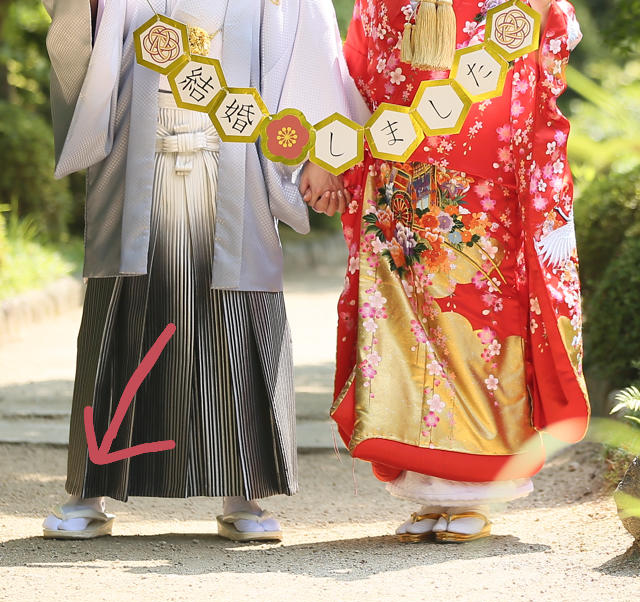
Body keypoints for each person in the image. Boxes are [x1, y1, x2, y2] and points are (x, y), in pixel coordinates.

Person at [41, 0, 367, 541]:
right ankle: (88, 489)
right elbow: (81, 26)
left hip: (238, 154)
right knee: (122, 312)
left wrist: (320, 153)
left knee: (237, 319)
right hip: (134, 147)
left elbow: (311, 49)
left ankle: (244, 491)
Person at [331, 0, 590, 542]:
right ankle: (426, 486)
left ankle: (475, 488)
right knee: (406, 327)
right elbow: (358, 67)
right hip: (401, 170)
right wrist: (340, 157)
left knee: (480, 327)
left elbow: (548, 33)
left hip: (484, 183)